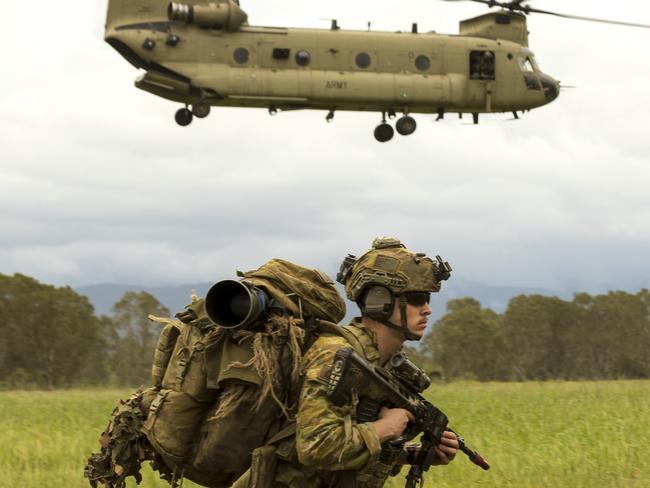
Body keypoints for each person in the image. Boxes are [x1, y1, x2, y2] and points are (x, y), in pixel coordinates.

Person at [293, 236, 459, 487]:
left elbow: (352, 450)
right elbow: (314, 447)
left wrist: (415, 454)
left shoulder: (383, 365)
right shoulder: (334, 355)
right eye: (416, 299)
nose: (427, 309)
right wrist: (385, 428)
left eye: (428, 299)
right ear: (379, 300)